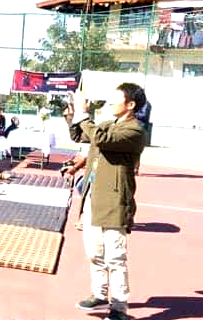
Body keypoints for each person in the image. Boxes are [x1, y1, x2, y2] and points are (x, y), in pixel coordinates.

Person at [72, 83, 146, 320]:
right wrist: (73, 112)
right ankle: (99, 293)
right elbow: (79, 134)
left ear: (131, 104)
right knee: (94, 251)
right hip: (93, 197)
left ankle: (120, 307)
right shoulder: (107, 125)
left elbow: (101, 138)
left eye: (116, 98)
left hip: (114, 199)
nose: (111, 102)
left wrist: (84, 114)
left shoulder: (135, 131)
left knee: (115, 257)